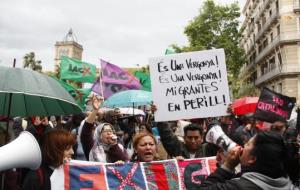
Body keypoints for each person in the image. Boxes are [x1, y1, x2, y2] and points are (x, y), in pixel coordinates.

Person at [199, 131, 298, 190]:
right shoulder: (285, 179)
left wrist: (227, 166)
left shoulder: (240, 187)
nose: (244, 145)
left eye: (248, 144)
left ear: (252, 159)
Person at [81, 95, 128, 163]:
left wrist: (114, 146)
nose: (109, 133)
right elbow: (86, 132)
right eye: (105, 131)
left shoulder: (119, 147)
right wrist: (95, 110)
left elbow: (125, 161)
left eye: (111, 131)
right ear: (99, 134)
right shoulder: (92, 147)